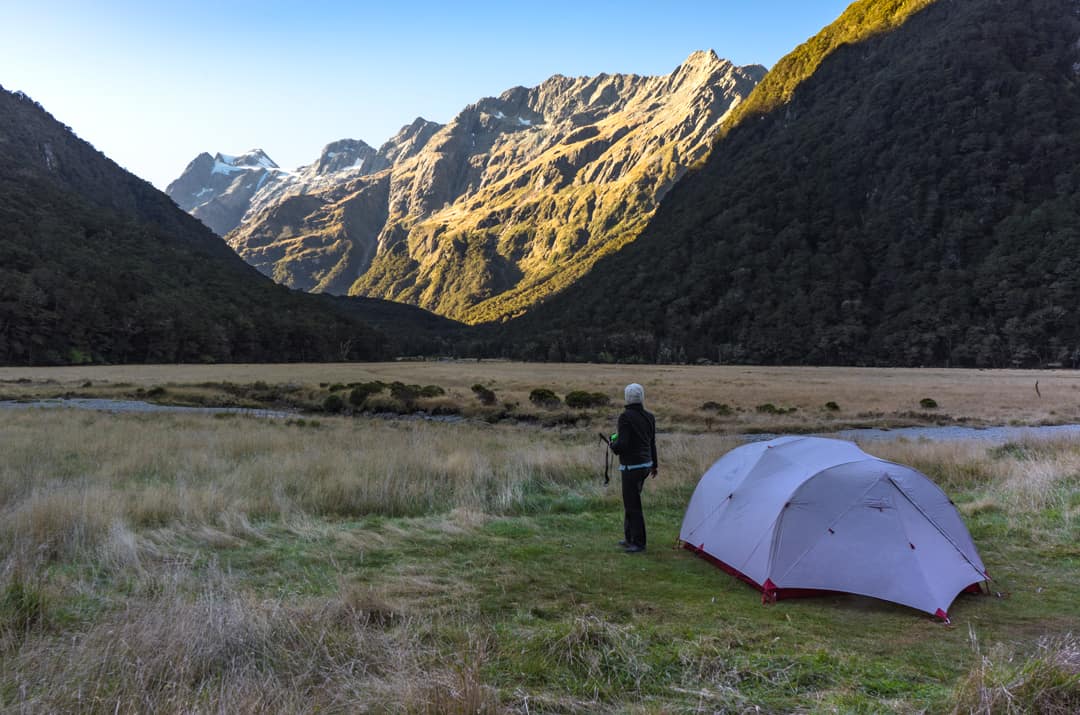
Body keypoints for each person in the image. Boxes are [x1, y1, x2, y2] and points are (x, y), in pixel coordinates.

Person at [607, 383, 658, 553]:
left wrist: (612, 444)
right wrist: (654, 465)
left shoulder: (625, 417)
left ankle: (639, 543)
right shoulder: (649, 417)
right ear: (641, 397)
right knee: (631, 502)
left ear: (627, 398)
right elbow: (652, 442)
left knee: (632, 505)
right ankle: (629, 538)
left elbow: (622, 444)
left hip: (631, 467)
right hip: (645, 466)